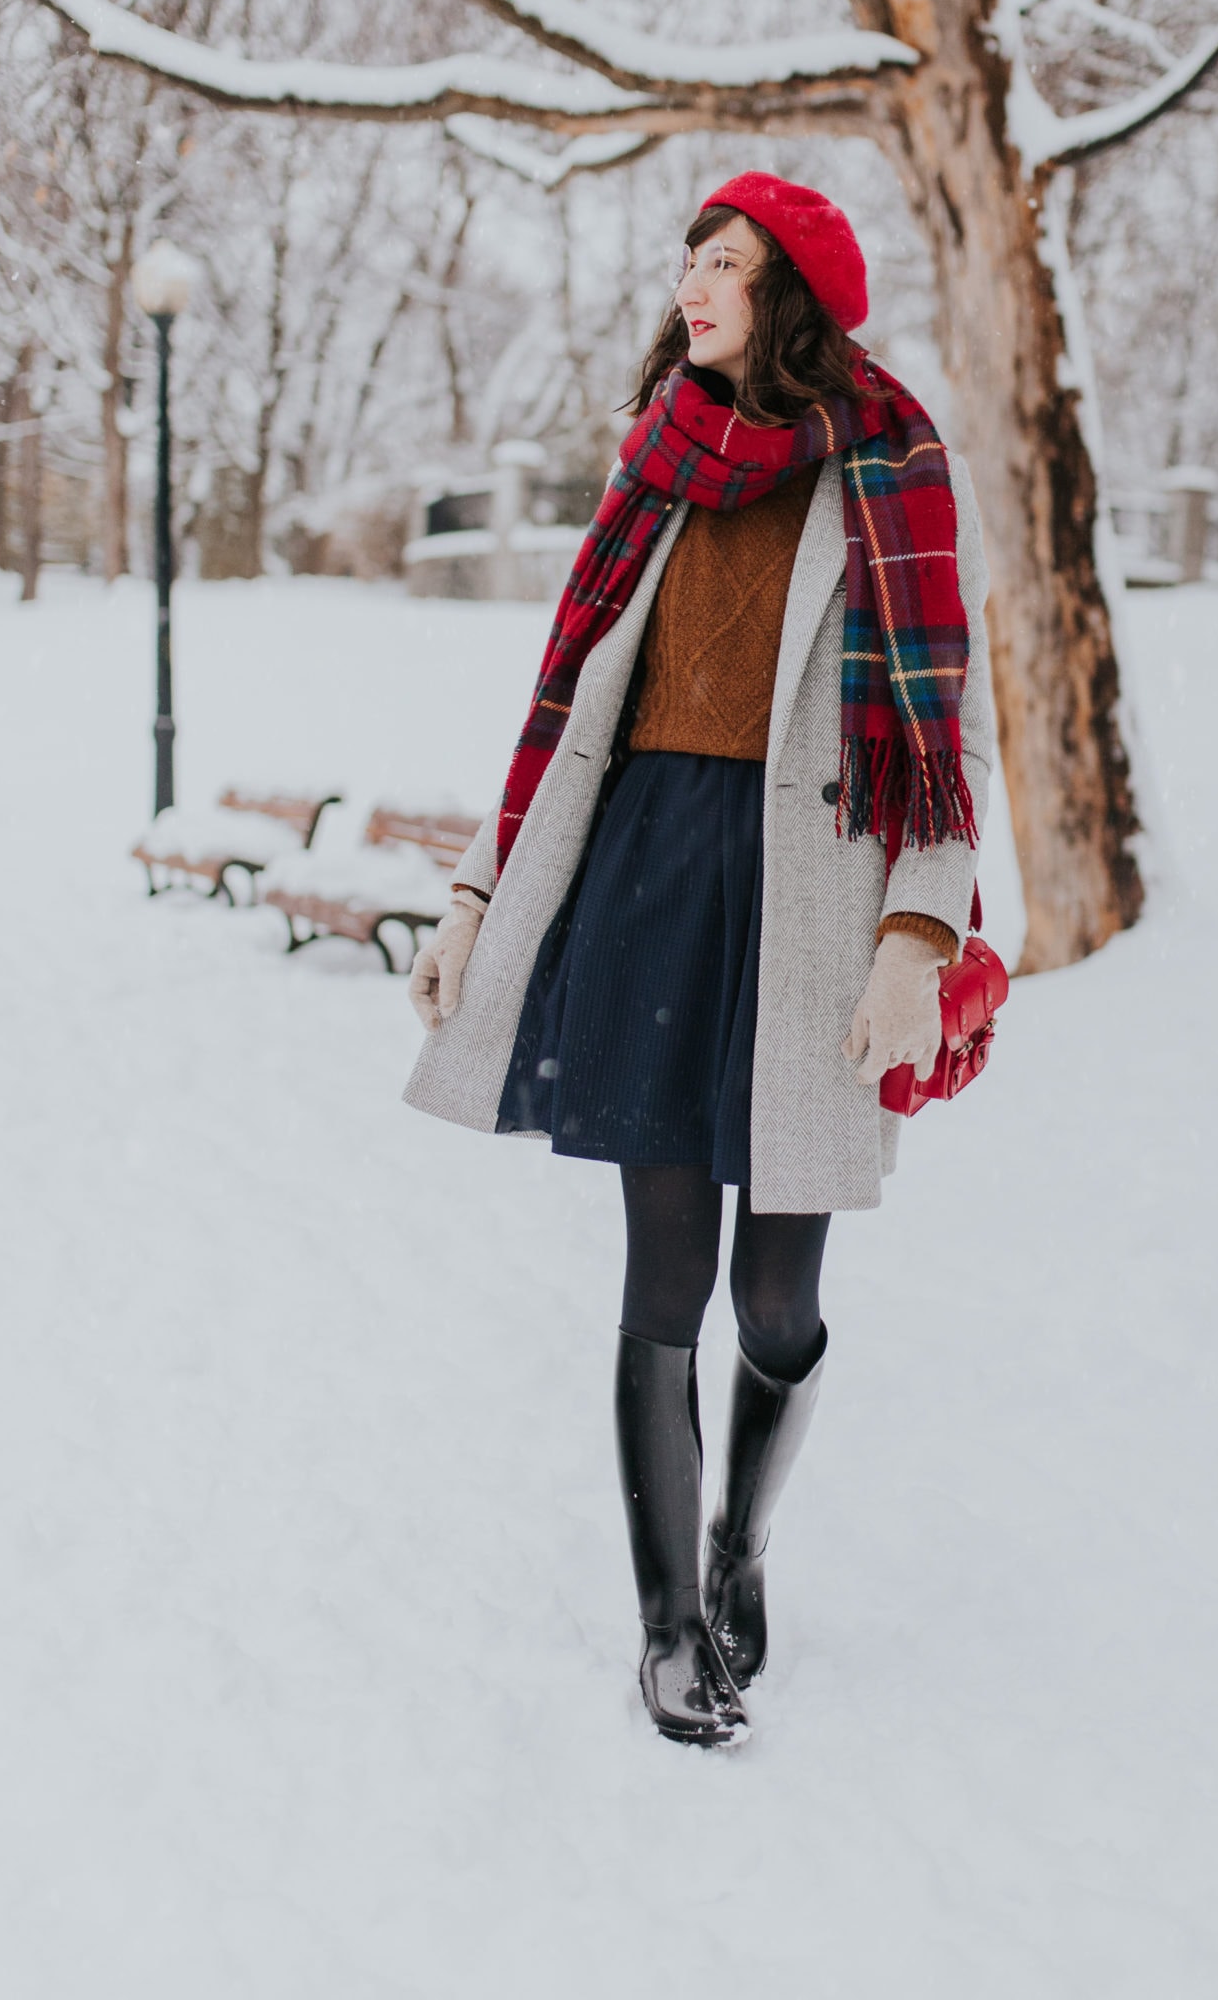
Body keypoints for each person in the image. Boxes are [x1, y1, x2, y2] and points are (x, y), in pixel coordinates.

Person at [404, 174, 994, 1746]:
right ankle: (669, 1621)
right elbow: (557, 713)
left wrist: (917, 937)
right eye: (688, 260)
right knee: (661, 1276)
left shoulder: (896, 472)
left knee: (776, 1294)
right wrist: (473, 898)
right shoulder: (657, 462)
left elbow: (956, 740)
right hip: (651, 881)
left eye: (722, 262)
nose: (691, 284)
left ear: (789, 293)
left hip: (813, 904)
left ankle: (743, 1544)